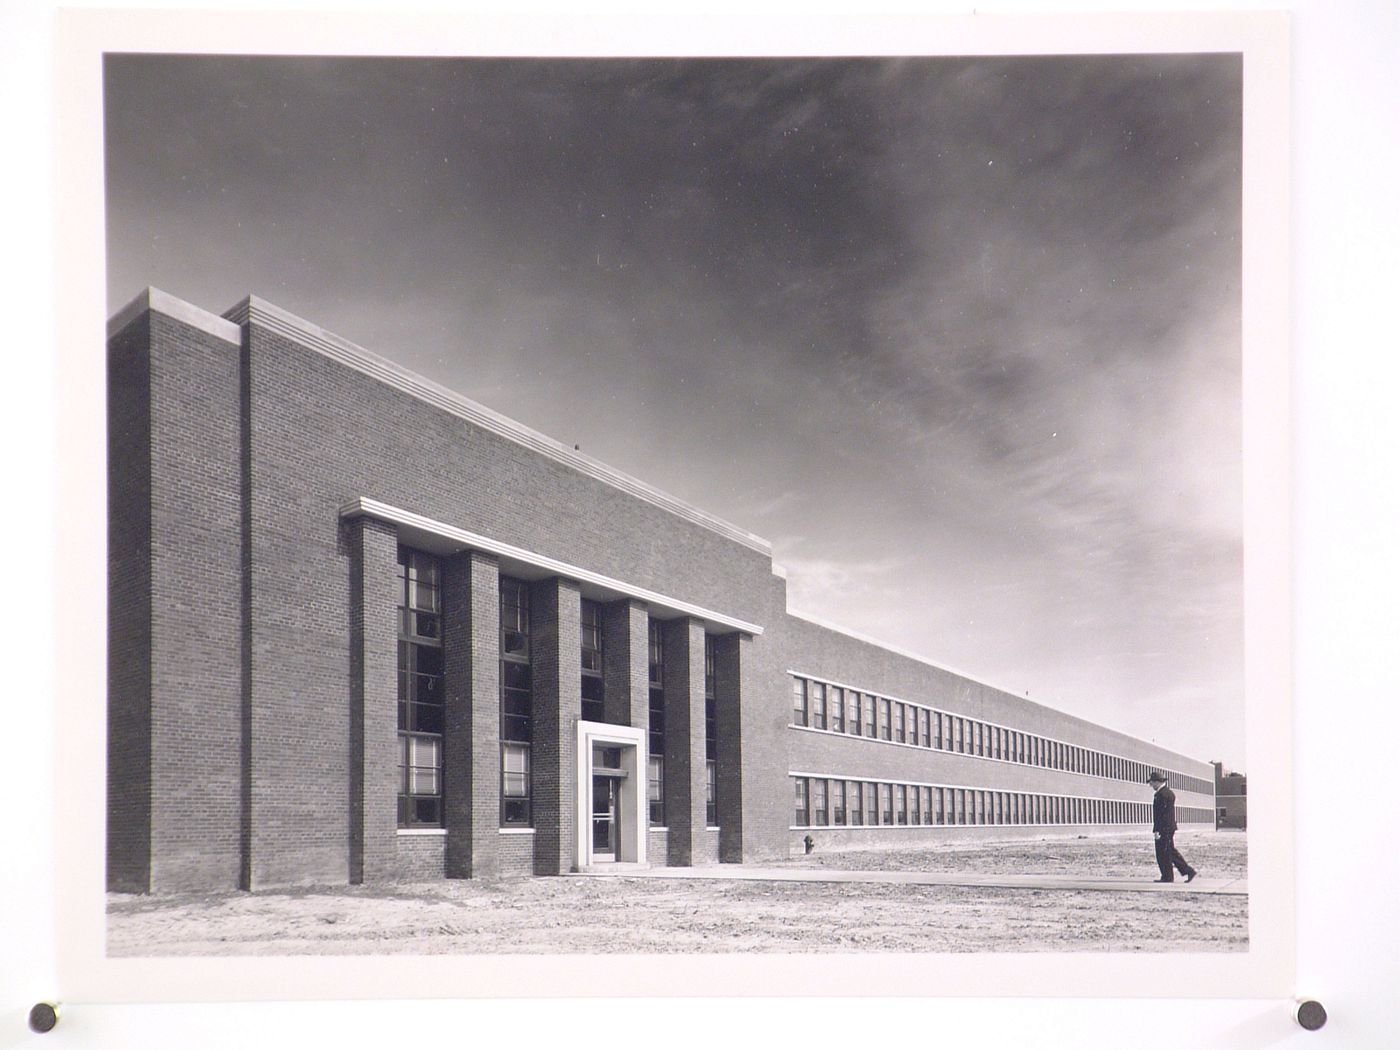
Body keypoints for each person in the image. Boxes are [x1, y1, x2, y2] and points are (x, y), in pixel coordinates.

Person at [1148, 770, 1197, 883]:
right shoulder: (1169, 793)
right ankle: (1179, 873)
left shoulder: (1160, 795)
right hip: (1169, 827)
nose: (1151, 785)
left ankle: (1170, 875)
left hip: (1163, 828)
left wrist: (1157, 830)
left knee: (1163, 852)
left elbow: (1160, 815)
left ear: (1157, 782)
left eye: (1152, 783)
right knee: (1169, 851)